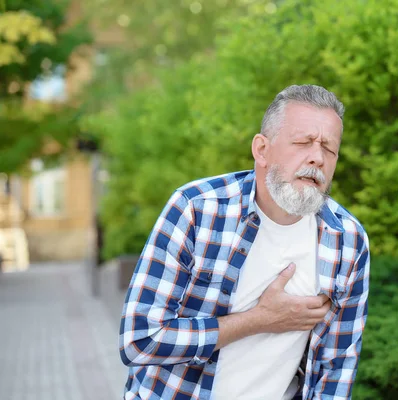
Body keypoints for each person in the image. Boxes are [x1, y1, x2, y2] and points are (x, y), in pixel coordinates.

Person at [119, 84, 370, 400]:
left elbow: (336, 369)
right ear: (262, 150)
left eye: (329, 149)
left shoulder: (347, 240)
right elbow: (139, 340)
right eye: (303, 142)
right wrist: (260, 320)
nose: (317, 158)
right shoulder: (197, 209)